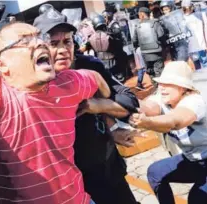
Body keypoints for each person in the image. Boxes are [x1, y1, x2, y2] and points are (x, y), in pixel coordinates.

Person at [0, 21, 112, 204]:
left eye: (39, 37)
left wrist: (101, 103)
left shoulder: (68, 83)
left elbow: (96, 79)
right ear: (2, 65)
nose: (39, 43)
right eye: (25, 41)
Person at [34, 9, 140, 204]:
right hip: (71, 182)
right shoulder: (32, 81)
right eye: (53, 43)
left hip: (107, 167)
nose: (63, 49)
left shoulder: (88, 66)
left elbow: (129, 101)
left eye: (67, 41)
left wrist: (99, 105)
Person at [129, 61, 207, 204]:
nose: (162, 88)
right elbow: (147, 106)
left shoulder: (194, 101)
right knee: (155, 173)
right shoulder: (163, 98)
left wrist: (147, 122)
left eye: (168, 84)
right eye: (161, 83)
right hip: (193, 161)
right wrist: (127, 102)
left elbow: (175, 121)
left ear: (183, 88)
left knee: (197, 198)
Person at [83, 14, 129, 82]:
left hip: (100, 64)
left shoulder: (90, 39)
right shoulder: (110, 36)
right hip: (113, 64)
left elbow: (83, 49)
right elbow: (119, 49)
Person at [133, 7, 165, 78]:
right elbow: (162, 36)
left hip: (145, 53)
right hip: (157, 52)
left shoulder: (137, 26)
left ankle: (156, 86)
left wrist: (137, 48)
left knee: (151, 72)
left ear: (142, 15)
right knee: (159, 72)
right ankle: (160, 87)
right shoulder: (155, 23)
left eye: (139, 15)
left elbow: (134, 41)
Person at [182, 0, 207, 70]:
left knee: (205, 63)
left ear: (192, 7)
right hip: (191, 47)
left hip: (201, 45)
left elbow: (205, 29)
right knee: (197, 66)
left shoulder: (200, 15)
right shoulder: (182, 18)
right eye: (184, 9)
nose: (186, 10)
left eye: (188, 8)